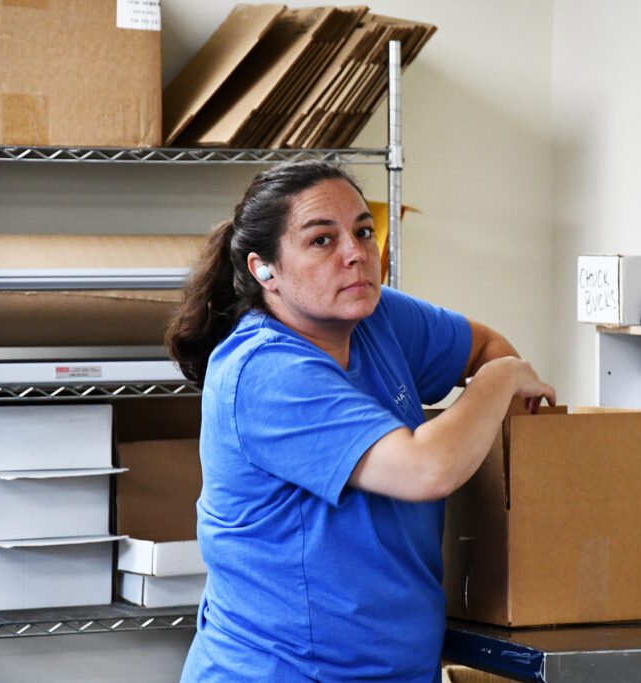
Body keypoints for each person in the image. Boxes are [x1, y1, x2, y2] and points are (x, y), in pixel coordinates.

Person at [166, 159, 555, 682]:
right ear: (265, 270)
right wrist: (501, 378)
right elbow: (427, 469)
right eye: (322, 241)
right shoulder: (265, 370)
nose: (356, 254)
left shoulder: (375, 318)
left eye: (363, 232)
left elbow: (484, 346)